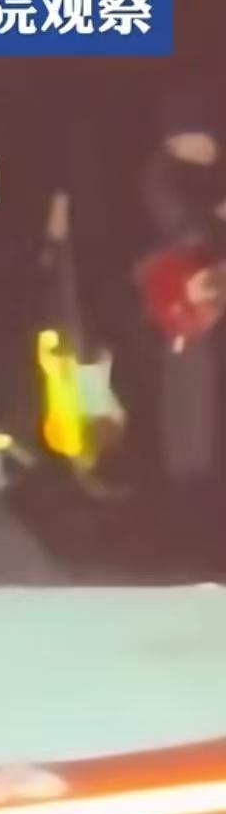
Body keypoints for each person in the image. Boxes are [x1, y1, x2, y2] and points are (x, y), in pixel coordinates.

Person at [139, 87, 226, 551]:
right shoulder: (165, 178)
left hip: (199, 302)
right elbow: (179, 235)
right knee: (189, 396)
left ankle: (195, 492)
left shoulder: (200, 174)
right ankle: (190, 499)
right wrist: (213, 222)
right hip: (185, 307)